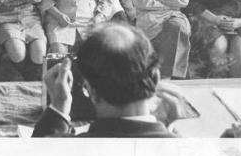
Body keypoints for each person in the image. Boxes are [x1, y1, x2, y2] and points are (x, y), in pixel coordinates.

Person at [32, 22, 175, 137]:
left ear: (90, 91)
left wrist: (58, 109)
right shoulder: (185, 152)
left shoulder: (66, 149)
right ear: (155, 78)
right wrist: (168, 130)